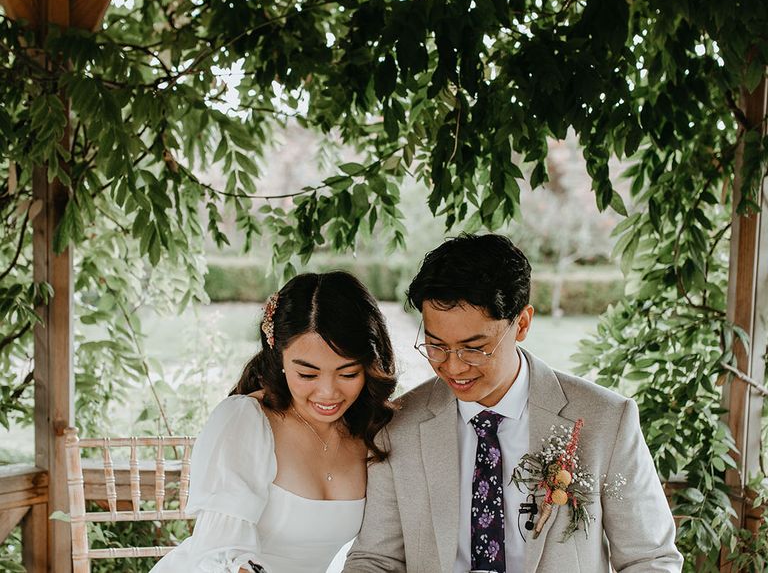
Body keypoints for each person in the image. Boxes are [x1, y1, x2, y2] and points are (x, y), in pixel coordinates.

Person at [343, 233, 683, 573]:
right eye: (436, 345)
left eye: (474, 347)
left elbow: (650, 559)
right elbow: (375, 559)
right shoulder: (397, 427)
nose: (454, 366)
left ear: (522, 323)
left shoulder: (606, 420)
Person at [151, 271, 397, 573]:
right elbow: (222, 557)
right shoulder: (246, 421)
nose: (328, 392)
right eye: (307, 374)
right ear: (278, 358)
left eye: (348, 374)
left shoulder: (371, 430)